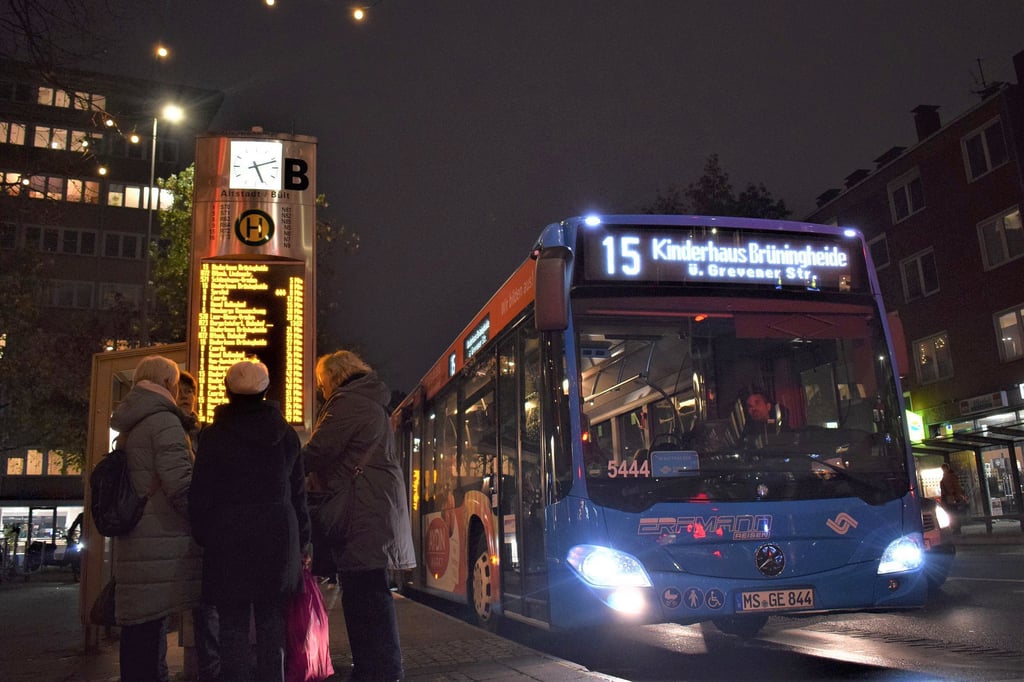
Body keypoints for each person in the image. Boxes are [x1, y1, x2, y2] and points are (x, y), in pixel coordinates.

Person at [189, 360, 310, 682]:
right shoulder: (285, 435)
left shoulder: (213, 437)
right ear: (267, 391)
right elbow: (298, 496)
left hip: (227, 543)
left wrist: (205, 534)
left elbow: (200, 494)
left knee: (232, 629)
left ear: (227, 391)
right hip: (277, 541)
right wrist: (304, 541)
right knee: (273, 627)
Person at [303, 350, 416, 682]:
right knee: (371, 592)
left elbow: (318, 451)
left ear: (335, 376)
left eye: (323, 383)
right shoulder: (370, 402)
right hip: (373, 511)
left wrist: (280, 461)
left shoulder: (347, 403)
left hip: (361, 514)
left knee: (364, 596)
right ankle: (379, 668)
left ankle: (376, 670)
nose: (323, 391)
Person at [108, 355, 202, 681]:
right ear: (167, 384)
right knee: (150, 638)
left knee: (139, 636)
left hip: (138, 543)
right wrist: (205, 524)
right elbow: (180, 486)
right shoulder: (164, 422)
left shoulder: (132, 422)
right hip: (159, 547)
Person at [175, 370, 220, 682]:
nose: (187, 397)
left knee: (205, 605)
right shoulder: (171, 430)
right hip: (178, 526)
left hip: (198, 528)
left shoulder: (204, 433)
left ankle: (211, 670)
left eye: (191, 392)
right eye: (180, 391)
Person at [940, 463, 967, 534]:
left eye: (944, 469)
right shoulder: (949, 476)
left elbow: (955, 487)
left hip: (952, 498)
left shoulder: (949, 477)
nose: (943, 470)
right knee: (953, 513)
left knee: (953, 513)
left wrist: (956, 496)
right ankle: (956, 528)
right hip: (951, 498)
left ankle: (956, 528)